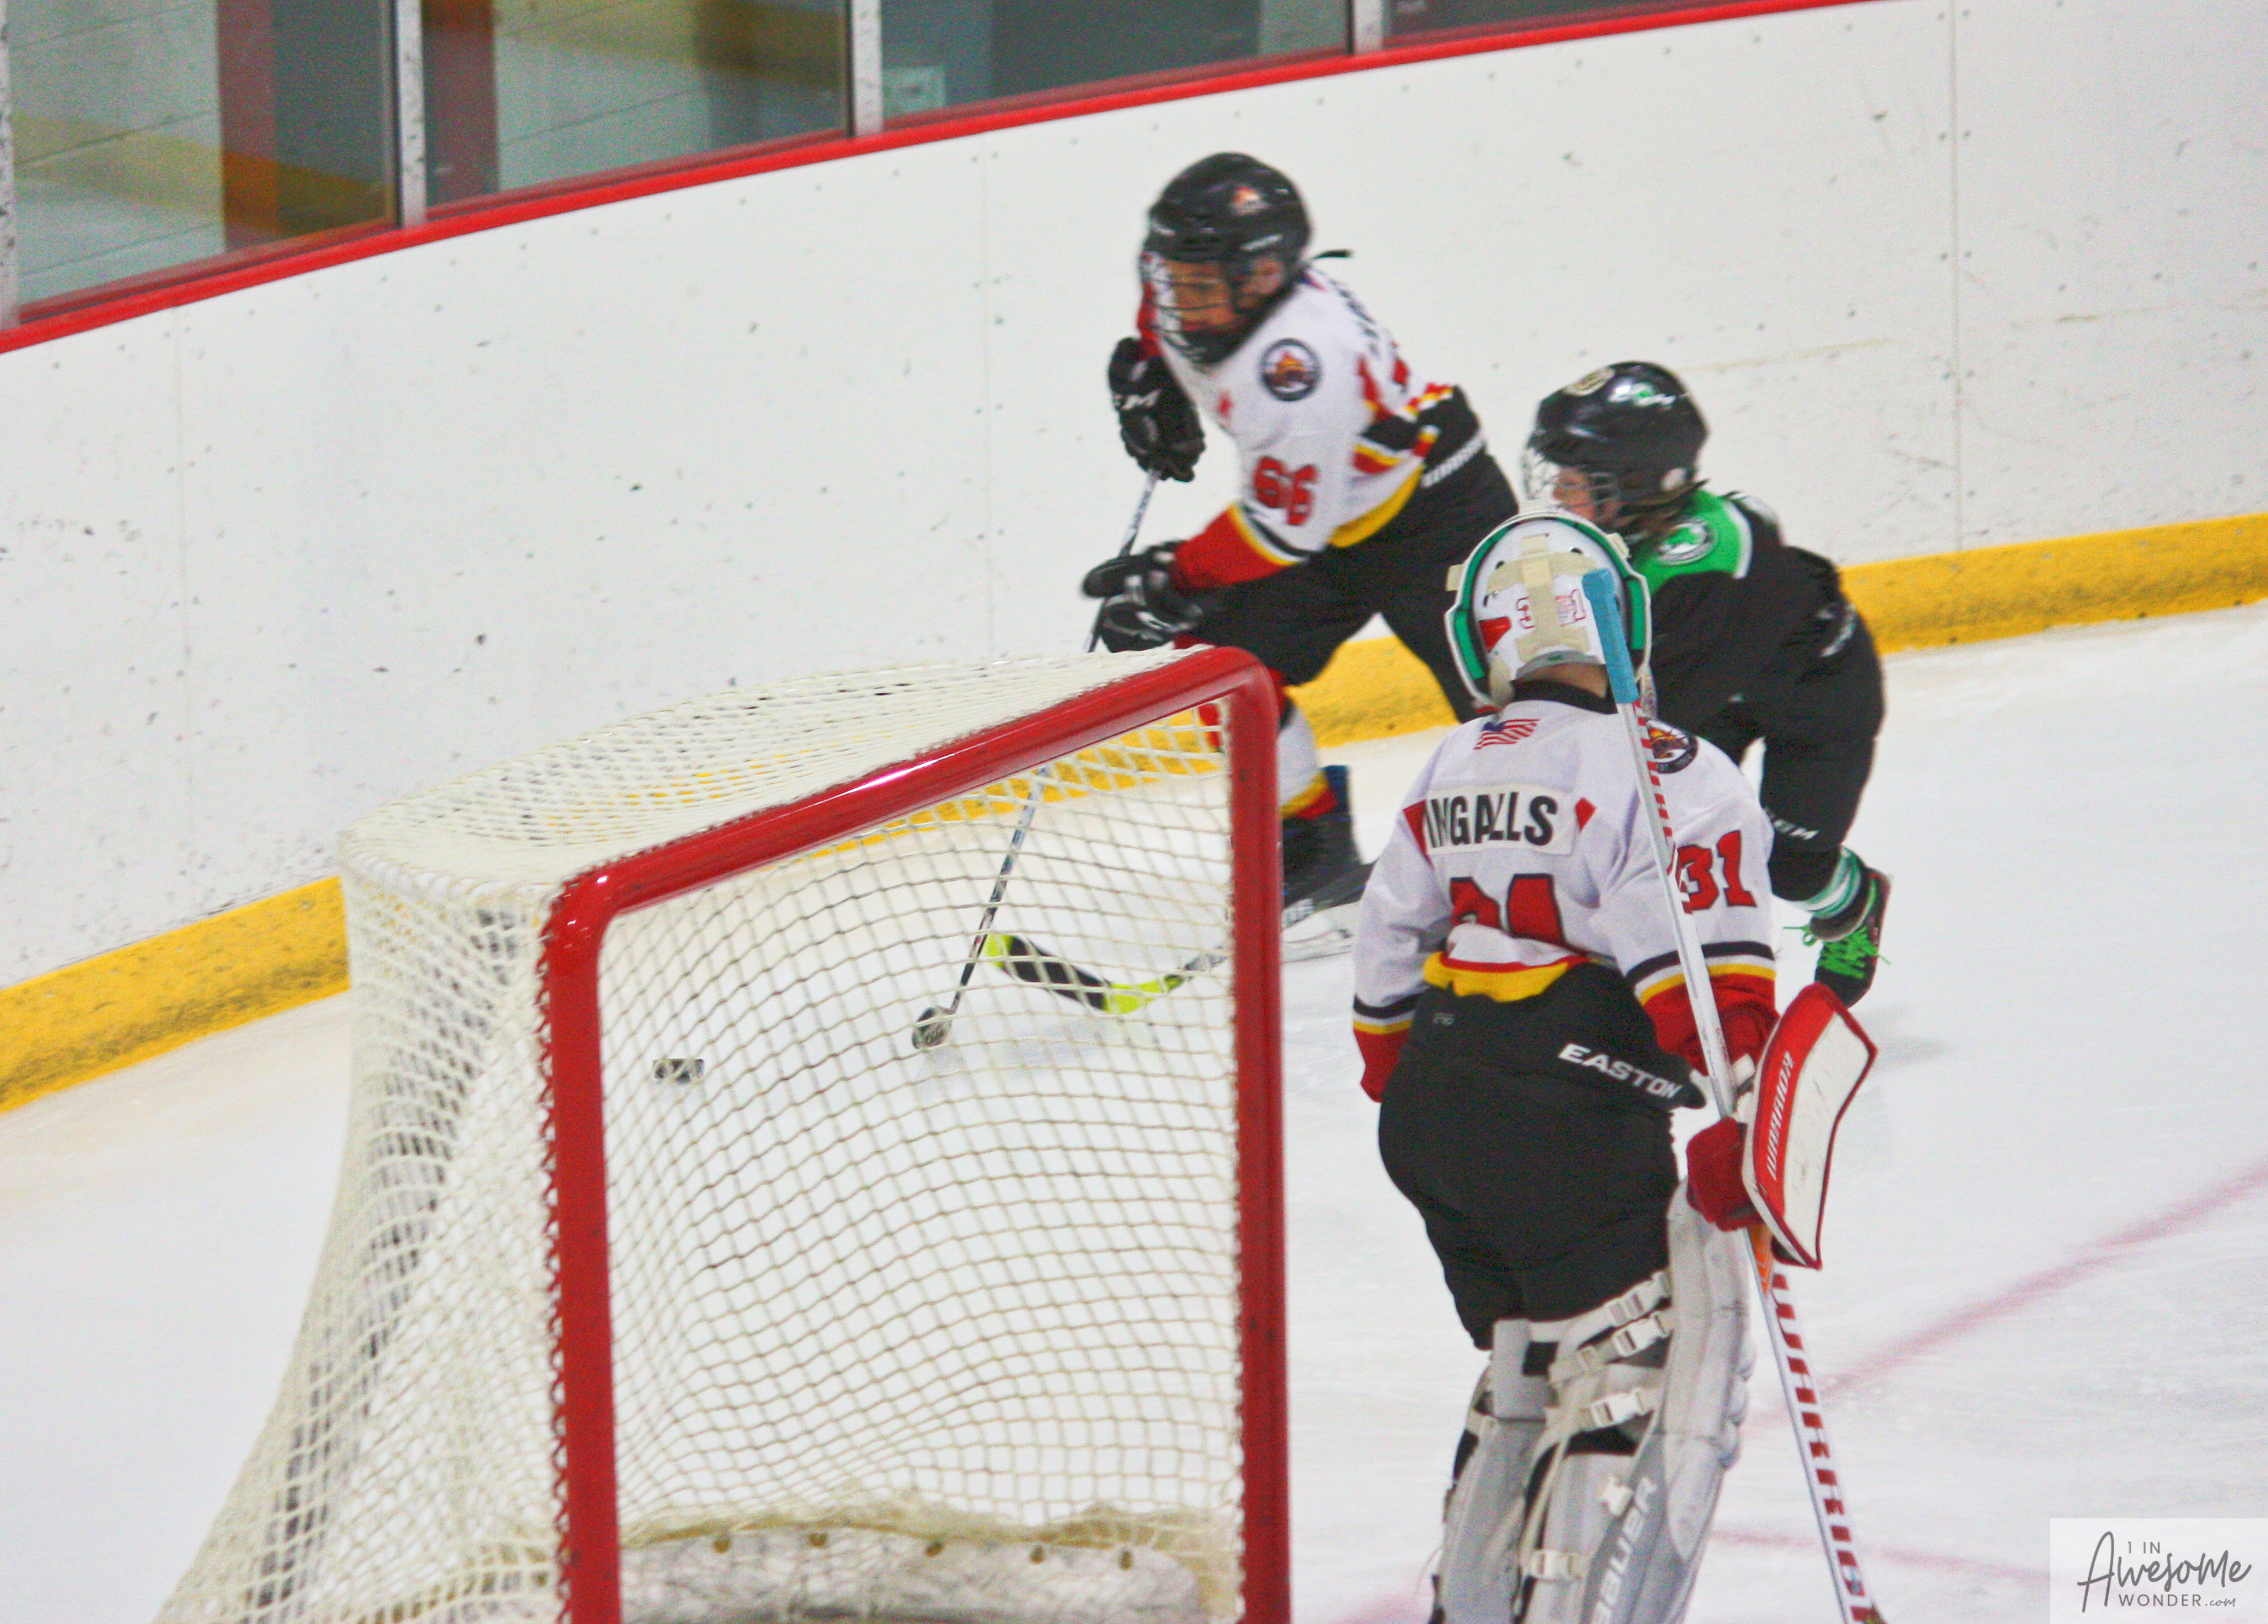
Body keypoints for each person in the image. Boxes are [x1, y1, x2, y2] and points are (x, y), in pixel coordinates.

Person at [1351, 511, 1768, 1624]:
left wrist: (1420, 1091)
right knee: (1630, 1367)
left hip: (1432, 1110)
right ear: (1623, 620)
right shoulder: (1666, 765)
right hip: (1562, 1115)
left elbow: (1385, 943)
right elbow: (1704, 983)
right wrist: (1745, 1112)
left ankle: (1468, 1604)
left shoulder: (1452, 760)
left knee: (1525, 1371)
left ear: (1479, 642)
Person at [1082, 152, 1518, 955]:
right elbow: (1157, 321)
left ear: (1263, 277)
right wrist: (1147, 369)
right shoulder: (1188, 290)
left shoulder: (1297, 364)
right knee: (1222, 669)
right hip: (1338, 517)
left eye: (1199, 285)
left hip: (1437, 514)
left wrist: (1175, 578)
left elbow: (1280, 533)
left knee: (1513, 711)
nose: (1178, 299)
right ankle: (1314, 851)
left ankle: (1554, 869)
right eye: (1172, 278)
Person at [1523, 362, 1889, 1003]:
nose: (1558, 492)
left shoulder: (1703, 569)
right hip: (1724, 680)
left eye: (1577, 481)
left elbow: (1654, 707)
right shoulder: (1630, 534)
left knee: (1786, 867)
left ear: (1639, 481)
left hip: (1817, 696)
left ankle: (1854, 899)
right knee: (1666, 832)